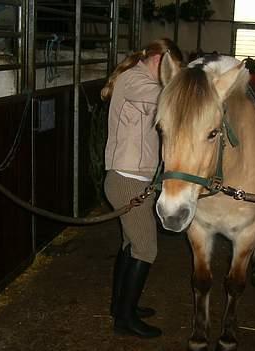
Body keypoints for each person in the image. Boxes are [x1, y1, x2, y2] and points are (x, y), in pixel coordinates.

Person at [101, 38, 183, 338]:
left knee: (130, 245)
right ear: (160, 59)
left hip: (136, 179)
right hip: (126, 180)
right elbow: (168, 97)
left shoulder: (142, 80)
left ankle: (121, 306)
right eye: (171, 67)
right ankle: (124, 320)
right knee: (146, 248)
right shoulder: (134, 79)